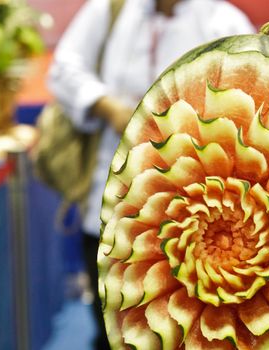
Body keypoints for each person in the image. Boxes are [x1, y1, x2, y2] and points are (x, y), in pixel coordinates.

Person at [47, 0, 255, 348]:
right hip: (113, 196)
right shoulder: (110, 9)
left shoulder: (223, 20)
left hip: (195, 214)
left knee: (183, 324)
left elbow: (248, 96)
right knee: (112, 321)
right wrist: (106, 104)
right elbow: (65, 67)